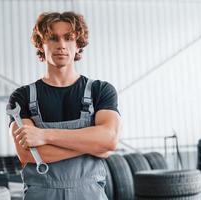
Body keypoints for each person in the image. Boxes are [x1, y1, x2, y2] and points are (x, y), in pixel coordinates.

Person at [7, 11, 121, 200]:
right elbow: (27, 155)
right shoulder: (22, 97)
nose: (61, 45)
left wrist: (44, 135)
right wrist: (93, 144)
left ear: (78, 46)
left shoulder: (100, 91)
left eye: (68, 38)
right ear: (41, 45)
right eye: (53, 38)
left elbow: (109, 139)